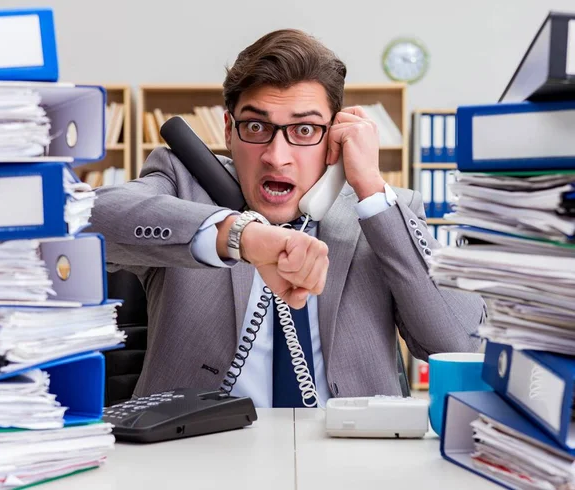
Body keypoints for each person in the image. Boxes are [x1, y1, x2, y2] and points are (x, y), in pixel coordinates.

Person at [89, 28, 486, 408]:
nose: (276, 156)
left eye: (305, 129)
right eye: (256, 126)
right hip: (199, 453)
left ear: (334, 137)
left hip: (348, 457)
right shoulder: (182, 184)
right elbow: (87, 218)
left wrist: (370, 186)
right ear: (228, 131)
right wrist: (241, 236)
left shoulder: (384, 214)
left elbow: (459, 345)